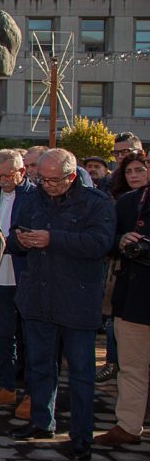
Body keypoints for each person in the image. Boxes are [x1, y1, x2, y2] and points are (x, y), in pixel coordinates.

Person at [8, 148, 114, 461]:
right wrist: (21, 241)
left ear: (71, 176)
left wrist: (52, 239)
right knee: (40, 366)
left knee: (81, 372)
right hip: (38, 297)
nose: (48, 185)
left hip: (77, 299)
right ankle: (42, 421)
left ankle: (82, 436)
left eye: (54, 180)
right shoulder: (31, 199)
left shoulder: (97, 203)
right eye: (42, 179)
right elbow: (13, 238)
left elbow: (100, 244)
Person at [0, 149, 37, 418]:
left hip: (26, 272)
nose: (2, 180)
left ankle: (31, 392)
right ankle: (6, 385)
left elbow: (26, 235)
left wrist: (4, 243)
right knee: (4, 332)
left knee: (29, 335)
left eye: (7, 175)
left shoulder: (35, 196)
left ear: (21, 172)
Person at [95, 171, 150, 447]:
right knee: (131, 367)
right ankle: (128, 425)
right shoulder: (130, 201)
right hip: (133, 297)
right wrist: (122, 241)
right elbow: (107, 239)